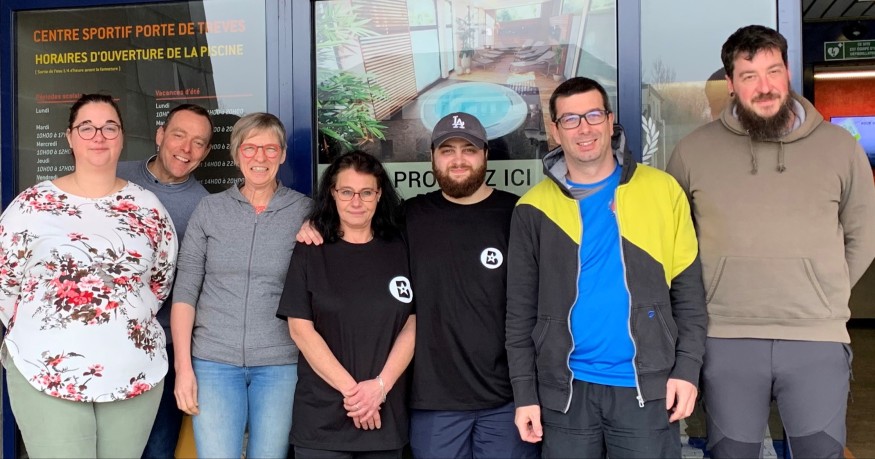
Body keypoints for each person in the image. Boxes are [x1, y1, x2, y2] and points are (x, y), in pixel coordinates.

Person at [667, 25, 875, 458]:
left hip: (816, 335)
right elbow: (676, 241)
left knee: (820, 452)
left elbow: (863, 233)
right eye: (749, 75)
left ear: (787, 72)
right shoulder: (692, 152)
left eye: (773, 71)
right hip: (725, 336)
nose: (765, 87)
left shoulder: (840, 147)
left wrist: (825, 289)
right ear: (730, 83)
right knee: (732, 452)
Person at [506, 76, 707, 458]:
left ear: (611, 120)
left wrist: (687, 369)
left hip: (646, 388)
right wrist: (525, 393)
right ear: (555, 131)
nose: (584, 128)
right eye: (570, 119)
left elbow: (690, 297)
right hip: (565, 392)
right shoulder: (532, 208)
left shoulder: (662, 191)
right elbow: (519, 314)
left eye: (594, 115)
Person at [0, 93, 177, 458]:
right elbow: (5, 282)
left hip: (133, 372)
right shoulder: (30, 207)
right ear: (70, 137)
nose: (99, 136)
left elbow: (160, 281)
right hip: (46, 368)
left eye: (109, 127)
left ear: (122, 137)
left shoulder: (148, 208)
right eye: (87, 127)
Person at [170, 112, 312, 459]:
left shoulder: (305, 211)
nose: (260, 157)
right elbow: (185, 292)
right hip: (213, 362)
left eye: (270, 148)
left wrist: (318, 230)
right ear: (236, 154)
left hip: (280, 364)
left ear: (282, 154)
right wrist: (183, 368)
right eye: (250, 148)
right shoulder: (210, 209)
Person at [407, 113, 539, 459]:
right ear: (432, 157)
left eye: (469, 149)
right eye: (447, 150)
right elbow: (352, 230)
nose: (458, 160)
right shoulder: (409, 217)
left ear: (486, 155)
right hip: (434, 401)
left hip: (507, 399)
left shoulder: (518, 214)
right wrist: (313, 226)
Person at [278, 150, 415, 458]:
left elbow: (413, 323)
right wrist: (358, 396)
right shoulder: (310, 249)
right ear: (332, 193)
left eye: (366, 192)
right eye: (346, 192)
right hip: (322, 421)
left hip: (384, 417)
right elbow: (301, 330)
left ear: (379, 195)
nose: (356, 201)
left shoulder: (400, 248)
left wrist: (379, 387)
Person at [116, 103, 212, 459]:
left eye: (198, 142)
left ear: (206, 152)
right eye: (178, 135)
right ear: (160, 135)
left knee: (157, 449)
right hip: (106, 343)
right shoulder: (114, 176)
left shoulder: (205, 207)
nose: (186, 149)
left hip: (165, 348)